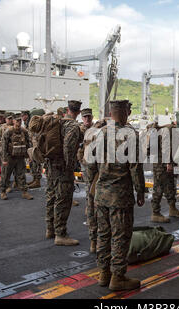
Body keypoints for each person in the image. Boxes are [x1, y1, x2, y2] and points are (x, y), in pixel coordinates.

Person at [86, 99, 145, 291]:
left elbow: (90, 164)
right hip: (120, 195)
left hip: (101, 194)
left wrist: (93, 185)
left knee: (104, 234)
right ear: (125, 111)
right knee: (120, 236)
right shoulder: (130, 135)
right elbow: (135, 167)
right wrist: (140, 191)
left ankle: (104, 273)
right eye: (129, 109)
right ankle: (118, 277)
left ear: (111, 113)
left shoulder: (100, 133)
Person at [45, 100, 81, 246]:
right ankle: (60, 234)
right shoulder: (72, 125)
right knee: (63, 200)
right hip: (62, 169)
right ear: (78, 112)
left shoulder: (58, 122)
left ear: (67, 109)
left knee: (51, 197)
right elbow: (69, 148)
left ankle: (50, 229)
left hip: (50, 167)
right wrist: (70, 167)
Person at [148, 121, 179, 223]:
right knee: (159, 187)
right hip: (161, 164)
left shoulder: (172, 128)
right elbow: (166, 146)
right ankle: (155, 213)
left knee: (170, 185)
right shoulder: (170, 129)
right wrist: (169, 162)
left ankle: (172, 208)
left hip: (164, 162)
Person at [0, 114, 33, 200]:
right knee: (5, 175)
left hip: (20, 157)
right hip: (10, 157)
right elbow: (3, 145)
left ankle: (25, 192)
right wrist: (4, 158)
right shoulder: (8, 131)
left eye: (20, 120)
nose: (19, 122)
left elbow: (28, 144)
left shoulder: (24, 131)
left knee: (21, 175)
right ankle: (3, 192)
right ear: (13, 121)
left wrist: (29, 155)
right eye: (17, 120)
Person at [77, 108, 97, 252]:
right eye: (85, 117)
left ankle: (90, 208)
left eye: (89, 117)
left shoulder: (96, 129)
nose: (87, 119)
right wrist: (81, 161)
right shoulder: (79, 130)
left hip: (95, 164)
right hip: (86, 164)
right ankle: (90, 210)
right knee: (89, 188)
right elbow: (78, 148)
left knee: (93, 189)